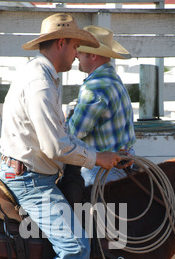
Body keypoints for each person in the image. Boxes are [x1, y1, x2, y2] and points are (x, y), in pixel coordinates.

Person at [0, 13, 123, 259]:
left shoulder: (41, 75)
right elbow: (56, 146)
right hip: (31, 180)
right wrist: (100, 158)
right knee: (75, 246)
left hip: (32, 172)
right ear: (62, 43)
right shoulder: (40, 82)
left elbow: (60, 138)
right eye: (76, 45)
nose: (77, 53)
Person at [67, 25, 136, 187]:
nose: (76, 54)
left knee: (78, 208)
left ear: (92, 55)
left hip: (102, 168)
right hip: (120, 161)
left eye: (80, 52)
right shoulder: (112, 78)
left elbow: (73, 133)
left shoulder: (95, 87)